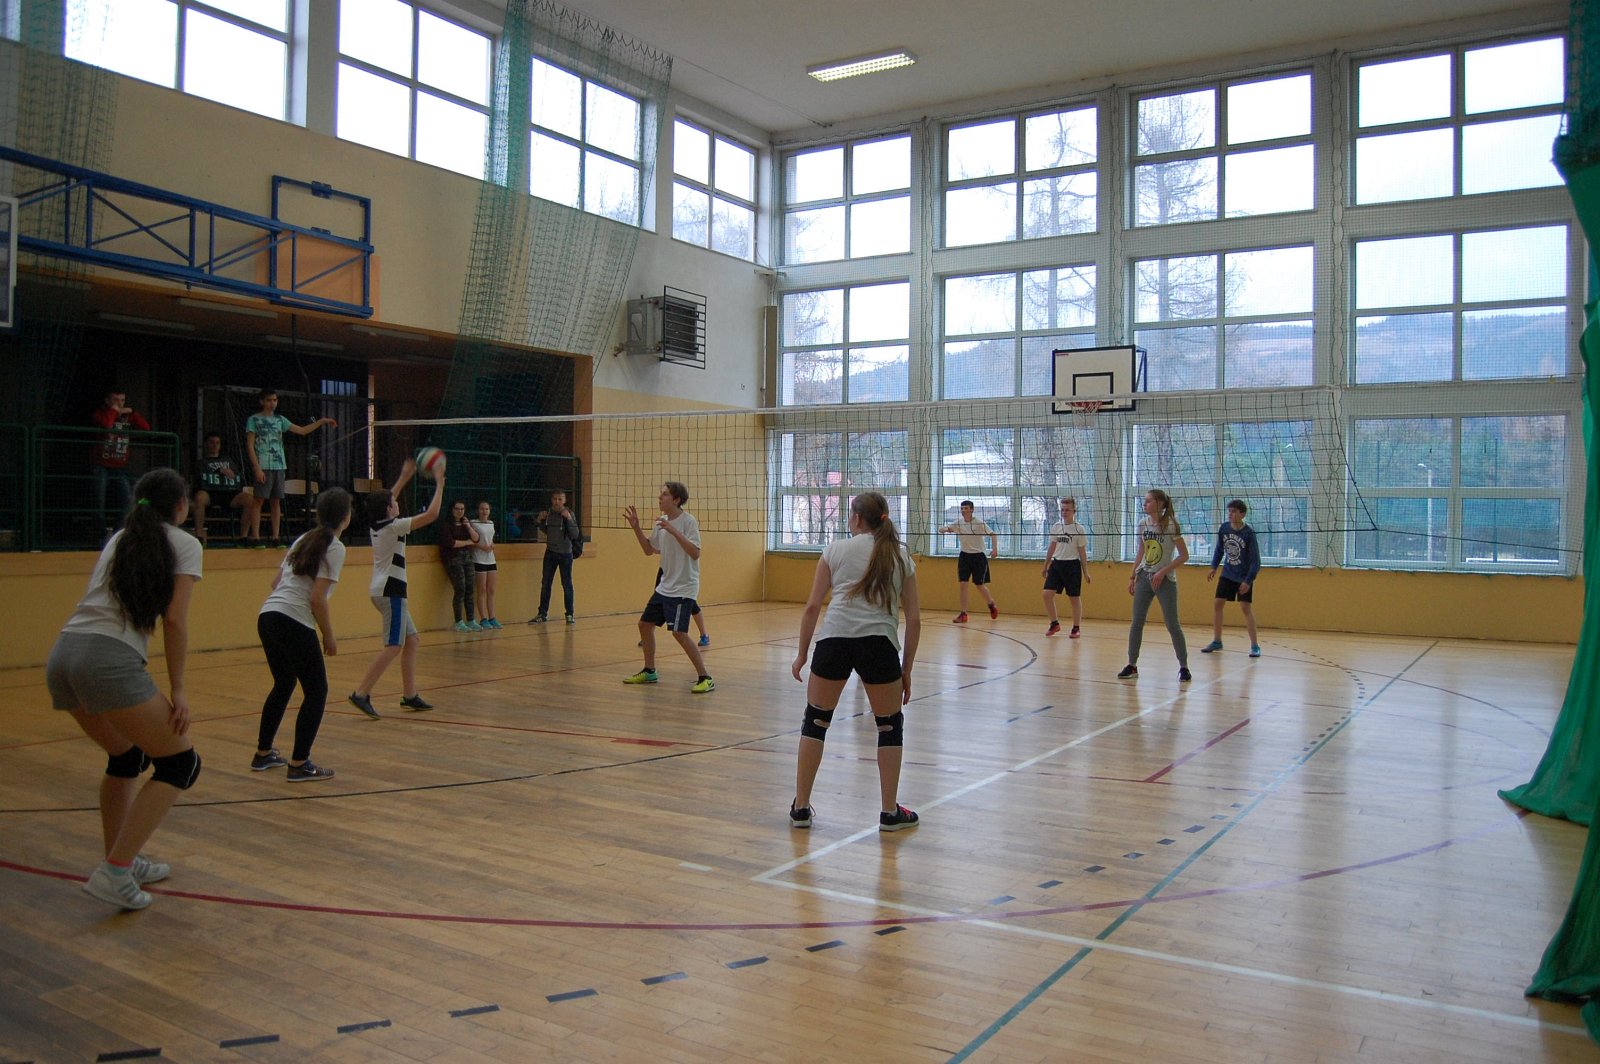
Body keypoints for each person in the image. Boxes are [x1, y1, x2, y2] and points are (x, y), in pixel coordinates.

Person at [45, 468, 203, 910]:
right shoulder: (185, 543)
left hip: (64, 655)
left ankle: (121, 860)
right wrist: (179, 689)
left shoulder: (121, 538)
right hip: (105, 659)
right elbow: (175, 620)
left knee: (126, 756)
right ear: (181, 506)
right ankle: (115, 871)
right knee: (181, 764)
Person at [789, 491, 921, 832]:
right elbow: (914, 619)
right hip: (879, 644)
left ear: (857, 518)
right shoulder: (900, 555)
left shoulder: (835, 550)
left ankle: (800, 807)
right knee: (889, 726)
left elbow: (812, 607)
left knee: (815, 721)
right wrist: (906, 669)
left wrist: (802, 654)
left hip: (834, 640)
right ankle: (889, 812)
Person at [253, 488, 352, 782]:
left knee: (284, 683)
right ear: (346, 517)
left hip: (268, 615)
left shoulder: (303, 539)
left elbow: (276, 583)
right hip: (293, 619)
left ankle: (263, 754)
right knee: (317, 691)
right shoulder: (335, 547)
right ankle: (299, 763)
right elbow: (317, 598)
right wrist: (328, 635)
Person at [348, 458, 444, 719]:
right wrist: (439, 483)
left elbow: (386, 498)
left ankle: (410, 695)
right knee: (393, 646)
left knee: (412, 640)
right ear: (389, 509)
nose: (397, 503)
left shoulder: (378, 523)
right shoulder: (394, 526)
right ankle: (361, 693)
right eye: (394, 503)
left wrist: (403, 477)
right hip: (391, 592)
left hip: (384, 590)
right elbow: (432, 515)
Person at [622, 482, 712, 692]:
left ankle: (705, 677)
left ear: (676, 500)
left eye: (664, 495)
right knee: (644, 625)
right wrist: (636, 528)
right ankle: (650, 671)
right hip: (665, 586)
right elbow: (649, 550)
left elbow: (695, 553)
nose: (660, 498)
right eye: (660, 494)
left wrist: (674, 531)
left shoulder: (688, 522)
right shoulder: (660, 522)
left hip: (684, 587)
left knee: (679, 633)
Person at [244, 387, 337, 545]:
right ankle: (256, 537)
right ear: (262, 402)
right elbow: (250, 445)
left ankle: (275, 537)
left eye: (275, 400)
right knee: (258, 500)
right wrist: (257, 468)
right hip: (263, 464)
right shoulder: (253, 420)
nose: (272, 403)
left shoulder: (280, 420)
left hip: (279, 465)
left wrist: (321, 421)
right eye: (269, 400)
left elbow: (302, 430)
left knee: (276, 501)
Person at [1120, 488, 1190, 682]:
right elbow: (1141, 552)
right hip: (1144, 576)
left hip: (1164, 580)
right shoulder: (1143, 524)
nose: (1145, 504)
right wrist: (1132, 577)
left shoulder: (1171, 525)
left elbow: (1184, 555)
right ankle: (1132, 665)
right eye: (1144, 501)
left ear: (1159, 504)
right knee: (1137, 622)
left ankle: (1184, 667)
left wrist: (1162, 572)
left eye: (1149, 501)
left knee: (1172, 624)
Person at [1203, 499, 1262, 658]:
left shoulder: (1248, 534)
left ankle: (1255, 645)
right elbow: (1219, 549)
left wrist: (1248, 581)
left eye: (1234, 511)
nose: (1230, 514)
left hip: (1243, 576)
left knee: (1245, 608)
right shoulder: (1224, 528)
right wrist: (1213, 567)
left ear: (1242, 514)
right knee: (1218, 603)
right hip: (1228, 573)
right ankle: (1217, 640)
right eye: (1229, 511)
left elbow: (1256, 562)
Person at [90, 389, 150, 540]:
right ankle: (100, 535)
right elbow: (107, 424)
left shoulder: (127, 416)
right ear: (107, 401)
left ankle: (118, 534)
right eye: (116, 400)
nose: (120, 404)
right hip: (101, 465)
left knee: (128, 499)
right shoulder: (100, 414)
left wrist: (133, 412)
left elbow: (146, 428)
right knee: (98, 500)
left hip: (119, 466)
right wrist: (114, 411)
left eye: (122, 400)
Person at [191, 430, 260, 545]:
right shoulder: (201, 462)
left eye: (217, 443)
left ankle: (243, 537)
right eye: (212, 442)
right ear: (206, 444)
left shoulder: (228, 461)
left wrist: (233, 474)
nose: (214, 445)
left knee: (250, 499)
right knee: (199, 497)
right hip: (210, 493)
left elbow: (238, 477)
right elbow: (199, 480)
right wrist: (218, 471)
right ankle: (199, 536)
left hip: (229, 493)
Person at [937, 499, 999, 623]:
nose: (963, 511)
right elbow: (947, 528)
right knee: (963, 584)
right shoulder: (958, 523)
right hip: (964, 556)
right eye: (962, 508)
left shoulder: (979, 523)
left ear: (971, 510)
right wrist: (942, 529)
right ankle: (963, 613)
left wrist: (994, 549)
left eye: (966, 508)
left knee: (979, 584)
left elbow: (993, 534)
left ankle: (991, 604)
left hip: (978, 556)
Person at [1042, 496, 1090, 637]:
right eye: (1062, 510)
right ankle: (1054, 623)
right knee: (1046, 594)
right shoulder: (1056, 527)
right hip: (1057, 564)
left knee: (1074, 598)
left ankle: (1076, 628)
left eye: (1067, 510)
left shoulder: (1079, 529)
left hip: (1072, 565)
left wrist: (1086, 572)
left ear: (1074, 511)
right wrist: (1045, 565)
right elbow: (1052, 547)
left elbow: (1082, 552)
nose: (1064, 512)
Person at [530, 490, 580, 624]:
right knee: (546, 583)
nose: (557, 502)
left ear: (564, 501)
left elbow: (575, 534)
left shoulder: (569, 513)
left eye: (560, 499)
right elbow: (547, 530)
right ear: (552, 500)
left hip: (565, 554)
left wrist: (569, 519)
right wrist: (539, 520)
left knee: (567, 584)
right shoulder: (549, 514)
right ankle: (542, 614)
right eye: (555, 499)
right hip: (550, 553)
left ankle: (570, 614)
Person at [439, 500, 481, 632]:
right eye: (457, 509)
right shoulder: (446, 525)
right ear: (452, 509)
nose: (460, 511)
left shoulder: (465, 524)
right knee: (460, 588)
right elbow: (451, 543)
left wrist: (468, 527)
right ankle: (458, 621)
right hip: (453, 559)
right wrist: (467, 542)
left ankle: (471, 620)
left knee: (470, 588)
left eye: (462, 509)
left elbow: (476, 539)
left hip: (467, 558)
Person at [470, 501, 501, 629]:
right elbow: (472, 541)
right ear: (478, 510)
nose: (484, 511)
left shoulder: (491, 523)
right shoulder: (473, 523)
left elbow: (490, 538)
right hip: (479, 559)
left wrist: (492, 545)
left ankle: (492, 617)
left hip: (491, 559)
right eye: (482, 509)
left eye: (486, 509)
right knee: (481, 590)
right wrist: (482, 547)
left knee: (491, 590)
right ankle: (483, 618)